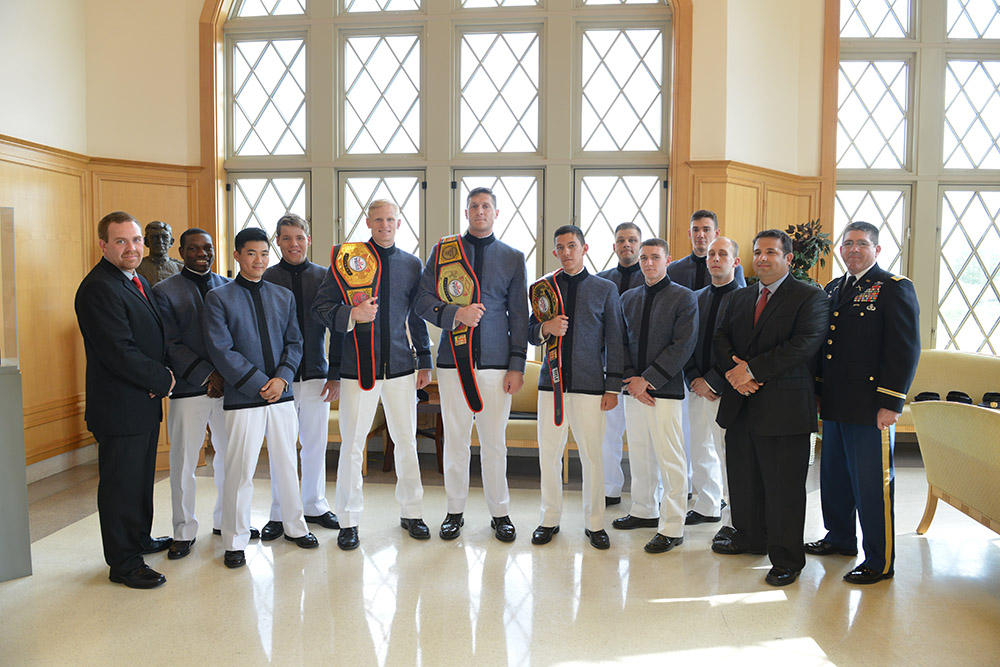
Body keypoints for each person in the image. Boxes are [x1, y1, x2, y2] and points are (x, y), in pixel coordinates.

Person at [312, 200, 433, 550]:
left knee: (407, 440)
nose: (384, 225)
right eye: (378, 219)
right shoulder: (346, 260)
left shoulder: (412, 264)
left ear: (399, 222)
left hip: (400, 368)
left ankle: (412, 511)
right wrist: (352, 313)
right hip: (355, 369)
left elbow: (416, 317)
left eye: (390, 219)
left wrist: (424, 359)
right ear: (368, 222)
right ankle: (348, 520)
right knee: (351, 444)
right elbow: (322, 308)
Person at [711, 229, 828, 587]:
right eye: (757, 252)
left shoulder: (810, 296)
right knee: (744, 482)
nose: (762, 258)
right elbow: (720, 337)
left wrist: (752, 370)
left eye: (771, 252)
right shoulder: (740, 297)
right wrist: (737, 375)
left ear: (788, 258)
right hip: (741, 404)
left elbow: (804, 344)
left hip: (784, 408)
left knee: (783, 489)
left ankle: (787, 558)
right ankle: (750, 537)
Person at [806, 221, 920, 585]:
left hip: (872, 407)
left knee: (872, 485)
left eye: (862, 244)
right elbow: (827, 347)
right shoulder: (835, 288)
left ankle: (879, 561)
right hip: (837, 404)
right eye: (848, 244)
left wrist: (892, 402)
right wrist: (819, 392)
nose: (853, 250)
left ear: (877, 250)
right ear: (840, 250)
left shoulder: (893, 288)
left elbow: (904, 350)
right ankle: (840, 538)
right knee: (835, 478)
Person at [415, 187, 529, 542]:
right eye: (474, 206)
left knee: (495, 442)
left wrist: (517, 365)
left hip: (497, 365)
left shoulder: (512, 257)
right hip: (453, 363)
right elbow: (421, 301)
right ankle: (454, 511)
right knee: (457, 440)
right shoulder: (444, 252)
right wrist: (454, 313)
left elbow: (520, 316)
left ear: (496, 213)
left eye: (486, 207)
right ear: (466, 213)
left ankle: (500, 513)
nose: (480, 211)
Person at [203, 228, 317, 569]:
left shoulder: (283, 296)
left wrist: (281, 379)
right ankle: (235, 540)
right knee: (240, 470)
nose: (259, 260)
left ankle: (295, 526)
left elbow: (295, 342)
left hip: (281, 395)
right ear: (238, 255)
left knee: (286, 462)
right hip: (243, 398)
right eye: (251, 253)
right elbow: (221, 350)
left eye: (264, 254)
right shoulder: (220, 298)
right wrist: (258, 384)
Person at [75, 211, 175, 589]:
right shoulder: (99, 287)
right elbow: (118, 350)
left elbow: (152, 336)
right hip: (119, 407)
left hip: (142, 402)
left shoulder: (134, 280)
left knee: (138, 481)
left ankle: (139, 539)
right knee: (120, 485)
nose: (132, 248)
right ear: (103, 245)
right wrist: (162, 378)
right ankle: (123, 562)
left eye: (135, 240)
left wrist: (157, 377)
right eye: (121, 241)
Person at [152, 228, 258, 560]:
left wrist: (228, 375)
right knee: (184, 461)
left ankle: (226, 521)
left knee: (231, 459)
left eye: (208, 248)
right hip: (189, 388)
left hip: (230, 389)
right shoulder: (164, 291)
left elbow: (239, 337)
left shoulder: (229, 287)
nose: (202, 253)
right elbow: (169, 343)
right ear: (181, 251)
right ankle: (183, 530)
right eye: (194, 248)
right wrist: (207, 374)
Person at [529, 225, 624, 550]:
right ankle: (549, 519)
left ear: (585, 249)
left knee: (592, 457)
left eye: (572, 246)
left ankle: (595, 523)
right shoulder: (543, 288)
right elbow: (530, 332)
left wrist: (612, 387)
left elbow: (616, 340)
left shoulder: (605, 289)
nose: (566, 252)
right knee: (549, 455)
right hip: (549, 387)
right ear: (555, 252)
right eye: (561, 247)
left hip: (590, 387)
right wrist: (545, 327)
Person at [260, 214, 342, 541]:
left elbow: (339, 329)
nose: (294, 244)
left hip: (318, 376)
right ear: (276, 241)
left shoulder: (325, 277)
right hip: (279, 379)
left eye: (300, 237)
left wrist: (335, 374)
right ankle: (280, 512)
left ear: (308, 239)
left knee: (314, 445)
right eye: (286, 238)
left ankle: (314, 504)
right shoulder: (266, 279)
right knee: (281, 448)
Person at [619, 238, 698, 553]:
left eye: (655, 257)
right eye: (644, 258)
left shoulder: (684, 298)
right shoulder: (627, 298)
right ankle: (643, 510)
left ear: (668, 260)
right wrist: (632, 381)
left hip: (663, 389)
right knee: (639, 453)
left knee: (670, 457)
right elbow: (619, 342)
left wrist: (648, 380)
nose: (649, 263)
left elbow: (683, 345)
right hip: (632, 390)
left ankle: (672, 525)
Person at [683, 236, 741, 528]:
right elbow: (687, 343)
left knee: (727, 452)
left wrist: (714, 381)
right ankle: (706, 505)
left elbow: (742, 348)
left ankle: (734, 517)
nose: (716, 259)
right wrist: (694, 377)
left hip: (727, 389)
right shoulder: (696, 297)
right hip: (696, 386)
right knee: (699, 446)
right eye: (712, 255)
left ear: (735, 261)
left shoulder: (745, 298)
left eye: (723, 254)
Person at [596, 222, 647, 507]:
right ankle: (610, 489)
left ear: (640, 245)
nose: (626, 244)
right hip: (609, 368)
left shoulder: (651, 276)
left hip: (642, 371)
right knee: (608, 435)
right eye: (621, 240)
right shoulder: (602, 280)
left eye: (632, 240)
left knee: (645, 440)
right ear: (614, 246)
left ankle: (647, 496)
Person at [666, 210, 746, 291]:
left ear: (717, 233)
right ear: (689, 234)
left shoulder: (732, 268)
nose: (700, 235)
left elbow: (740, 298)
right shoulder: (673, 269)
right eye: (695, 230)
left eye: (706, 230)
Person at [136, 220, 183, 286]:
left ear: (171, 242)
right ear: (146, 242)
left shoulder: (181, 269)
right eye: (154, 237)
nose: (160, 241)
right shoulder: (136, 268)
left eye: (165, 237)